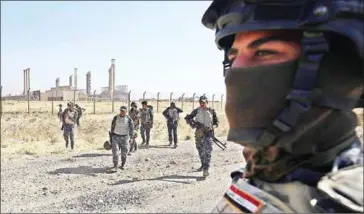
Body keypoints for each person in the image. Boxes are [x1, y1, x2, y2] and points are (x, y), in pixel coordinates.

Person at [201, 0, 364, 212]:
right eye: (233, 57)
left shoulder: (345, 202)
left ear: (338, 73)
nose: (235, 72)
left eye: (264, 52)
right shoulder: (262, 172)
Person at [185, 95, 219, 177]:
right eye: (201, 102)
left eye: (203, 102)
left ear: (207, 102)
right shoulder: (196, 111)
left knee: (207, 151)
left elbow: (216, 123)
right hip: (199, 133)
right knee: (200, 149)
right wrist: (193, 124)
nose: (202, 104)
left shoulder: (212, 111)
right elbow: (188, 118)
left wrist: (212, 127)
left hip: (208, 133)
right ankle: (203, 164)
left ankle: (205, 169)